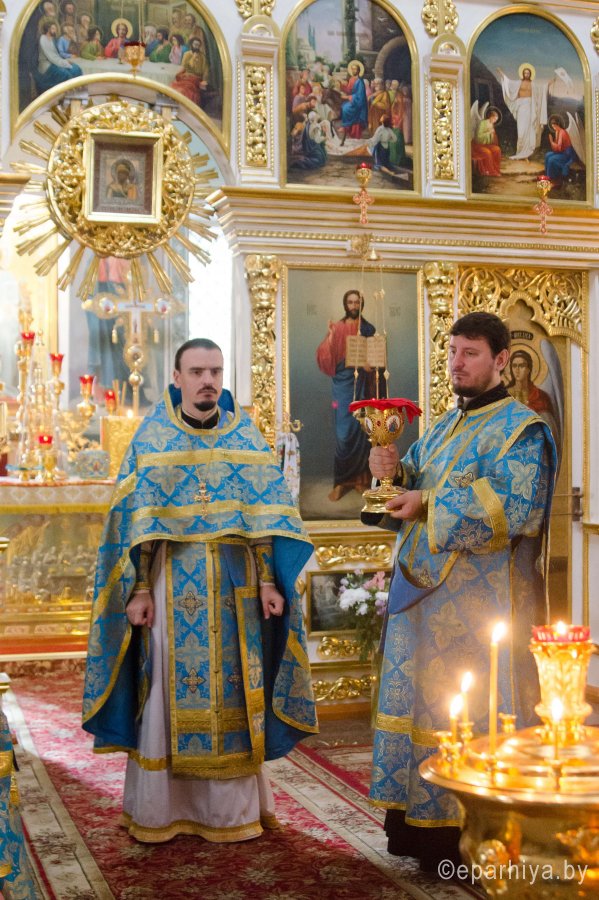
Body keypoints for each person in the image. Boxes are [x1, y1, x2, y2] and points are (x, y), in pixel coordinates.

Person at [82, 338, 317, 843]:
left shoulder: (244, 436)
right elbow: (136, 525)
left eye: (215, 371)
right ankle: (162, 810)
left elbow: (264, 519)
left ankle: (230, 813)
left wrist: (269, 581)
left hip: (236, 585)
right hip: (172, 583)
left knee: (237, 690)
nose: (207, 381)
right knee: (167, 690)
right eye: (196, 372)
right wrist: (139, 590)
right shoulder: (154, 437)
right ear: (177, 378)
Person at [366, 312, 557, 871]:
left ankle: (473, 835)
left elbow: (516, 509)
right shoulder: (445, 427)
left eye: (470, 353)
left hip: (479, 607)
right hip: (421, 597)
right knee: (423, 706)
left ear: (501, 360)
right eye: (452, 352)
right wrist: (390, 473)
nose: (457, 363)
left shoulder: (522, 429)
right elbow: (412, 481)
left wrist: (426, 503)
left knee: (471, 709)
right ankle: (419, 831)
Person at [316, 290, 379, 501]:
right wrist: (331, 336)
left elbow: (377, 359)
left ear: (362, 304)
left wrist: (371, 366)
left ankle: (361, 480)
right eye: (350, 302)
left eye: (357, 302)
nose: (353, 306)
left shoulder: (369, 329)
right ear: (345, 304)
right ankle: (341, 483)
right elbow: (325, 357)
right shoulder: (338, 327)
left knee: (362, 430)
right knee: (343, 434)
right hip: (343, 386)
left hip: (363, 385)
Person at [496, 63, 548, 160]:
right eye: (525, 73)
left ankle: (527, 153)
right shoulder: (518, 83)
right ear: (523, 74)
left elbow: (542, 89)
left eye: (528, 73)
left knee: (530, 130)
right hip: (521, 107)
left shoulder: (534, 85)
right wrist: (501, 73)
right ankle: (520, 152)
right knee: (521, 132)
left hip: (530, 108)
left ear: (530, 74)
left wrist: (550, 83)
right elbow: (508, 82)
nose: (526, 74)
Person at [35, 19, 82, 92]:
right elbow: (51, 57)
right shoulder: (43, 39)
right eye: (53, 29)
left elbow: (56, 55)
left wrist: (65, 61)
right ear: (48, 29)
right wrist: (65, 63)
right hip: (47, 66)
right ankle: (68, 93)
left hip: (55, 63)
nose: (55, 30)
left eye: (55, 29)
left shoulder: (52, 39)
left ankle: (78, 91)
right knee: (65, 74)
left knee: (76, 69)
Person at [171, 36, 209, 106]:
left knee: (186, 90)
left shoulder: (202, 57)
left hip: (196, 78)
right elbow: (184, 67)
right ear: (191, 44)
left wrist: (204, 80)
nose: (196, 47)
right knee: (175, 87)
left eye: (198, 45)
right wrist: (193, 58)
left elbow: (205, 70)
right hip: (186, 76)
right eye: (195, 44)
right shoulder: (187, 54)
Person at [338, 60, 368, 144]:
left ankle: (346, 127)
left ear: (358, 70)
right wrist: (341, 85)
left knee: (345, 108)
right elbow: (349, 90)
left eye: (355, 69)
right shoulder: (351, 79)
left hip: (359, 103)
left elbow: (360, 96)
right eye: (352, 69)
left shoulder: (360, 82)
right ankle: (346, 127)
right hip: (354, 101)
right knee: (343, 106)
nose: (353, 71)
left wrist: (348, 97)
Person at [472, 106, 502, 176]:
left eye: (496, 120)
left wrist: (493, 135)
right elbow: (478, 137)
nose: (495, 121)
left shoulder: (491, 125)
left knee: (497, 149)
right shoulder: (482, 123)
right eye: (494, 119)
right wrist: (489, 132)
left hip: (486, 145)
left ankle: (496, 169)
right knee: (487, 153)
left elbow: (491, 140)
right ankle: (490, 171)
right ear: (491, 117)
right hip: (478, 145)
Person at [544, 114, 575, 184]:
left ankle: (552, 178)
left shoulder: (562, 132)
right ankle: (547, 175)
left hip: (566, 154)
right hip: (561, 152)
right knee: (547, 155)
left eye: (554, 126)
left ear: (558, 124)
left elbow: (559, 147)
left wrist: (551, 142)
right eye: (552, 126)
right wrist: (553, 143)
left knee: (551, 159)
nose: (554, 127)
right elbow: (556, 149)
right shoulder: (557, 132)